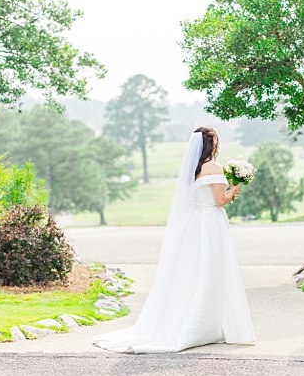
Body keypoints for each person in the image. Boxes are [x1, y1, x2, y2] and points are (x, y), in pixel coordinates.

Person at [94, 127, 256, 353]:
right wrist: (235, 188)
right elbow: (220, 200)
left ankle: (204, 324)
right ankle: (204, 326)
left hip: (196, 223)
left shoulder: (194, 170)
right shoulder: (214, 168)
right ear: (213, 144)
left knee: (196, 273)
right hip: (211, 224)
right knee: (212, 271)